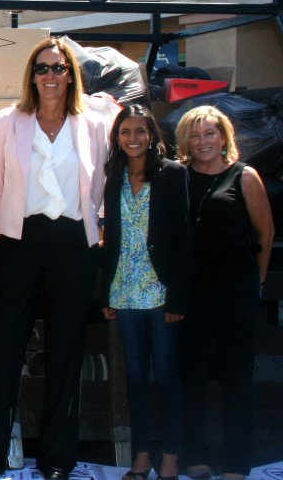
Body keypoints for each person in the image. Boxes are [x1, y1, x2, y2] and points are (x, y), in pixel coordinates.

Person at [0, 36, 110, 480]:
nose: (50, 76)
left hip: (75, 244)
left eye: (58, 68)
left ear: (70, 73)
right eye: (42, 68)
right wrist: (11, 225)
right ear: (31, 76)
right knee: (3, 349)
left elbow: (103, 185)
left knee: (65, 351)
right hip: (22, 240)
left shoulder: (92, 123)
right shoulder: (8, 121)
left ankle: (57, 459)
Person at [174, 105, 274, 480]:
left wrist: (256, 282)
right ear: (185, 140)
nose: (203, 142)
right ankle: (194, 458)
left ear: (224, 137)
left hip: (235, 289)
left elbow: (265, 236)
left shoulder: (244, 176)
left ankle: (236, 464)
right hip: (192, 292)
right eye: (195, 135)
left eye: (210, 133)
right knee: (191, 376)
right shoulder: (178, 177)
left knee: (237, 378)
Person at [100, 104, 191, 480]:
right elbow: (112, 238)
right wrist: (107, 293)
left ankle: (170, 458)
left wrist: (178, 299)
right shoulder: (114, 174)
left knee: (167, 375)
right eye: (125, 132)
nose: (132, 138)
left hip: (160, 293)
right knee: (135, 377)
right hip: (124, 291)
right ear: (117, 138)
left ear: (152, 135)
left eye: (140, 131)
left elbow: (184, 239)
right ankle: (141, 457)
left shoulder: (173, 174)